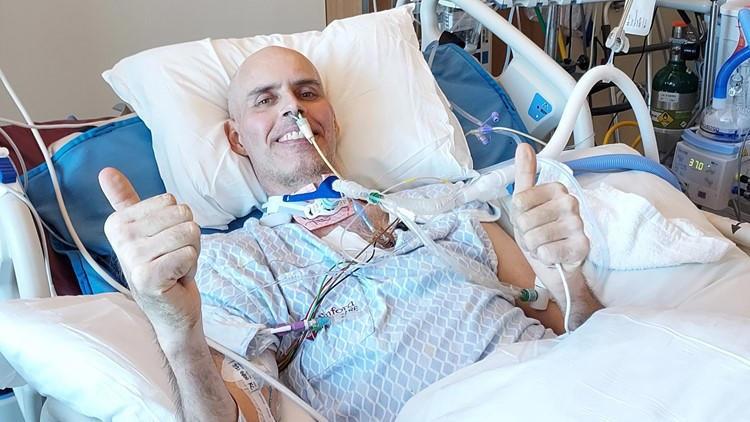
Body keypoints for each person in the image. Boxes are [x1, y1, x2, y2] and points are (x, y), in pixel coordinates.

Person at [99, 46, 602, 422]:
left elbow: (576, 332)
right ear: (236, 138)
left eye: (307, 92)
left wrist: (572, 280)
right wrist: (181, 339)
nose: (292, 108)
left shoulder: (440, 206)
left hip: (570, 386)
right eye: (265, 100)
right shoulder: (238, 260)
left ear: (331, 118)